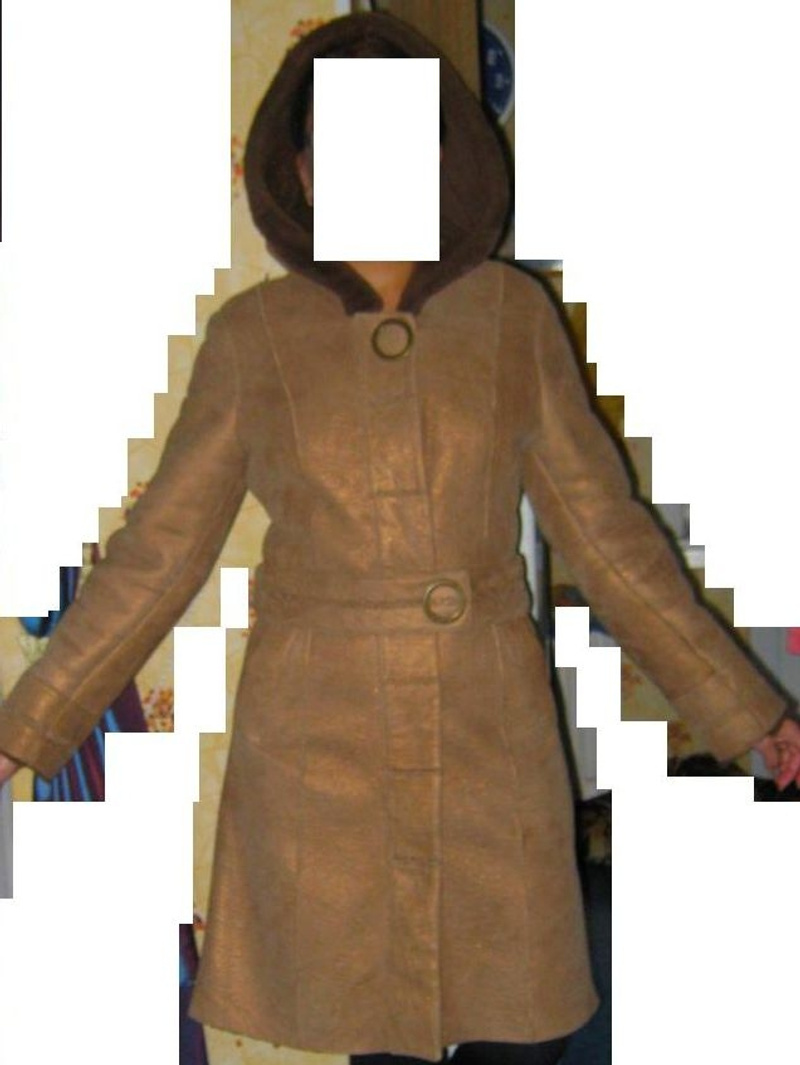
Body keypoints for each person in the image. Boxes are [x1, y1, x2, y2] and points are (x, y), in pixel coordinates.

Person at [1, 11, 799, 1065]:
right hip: (317, 748)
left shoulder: (511, 317)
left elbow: (611, 540)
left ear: (441, 154)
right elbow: (159, 554)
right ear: (300, 170)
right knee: (372, 1032)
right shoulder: (254, 337)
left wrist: (744, 710)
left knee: (525, 1033)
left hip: (489, 737)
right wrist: (31, 721)